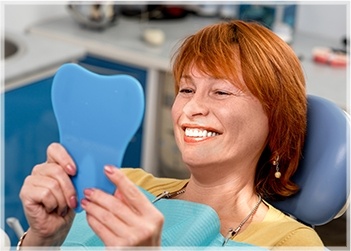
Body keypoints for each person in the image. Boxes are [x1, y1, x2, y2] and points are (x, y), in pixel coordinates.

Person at [18, 20, 324, 249]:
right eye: (186, 89)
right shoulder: (125, 185)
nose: (191, 107)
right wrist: (42, 240)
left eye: (220, 91)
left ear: (276, 120)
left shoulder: (291, 243)